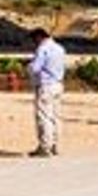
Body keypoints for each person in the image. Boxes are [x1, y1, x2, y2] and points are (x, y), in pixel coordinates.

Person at [27, 27, 66, 157]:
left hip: (46, 86)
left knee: (44, 117)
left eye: (34, 40)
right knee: (55, 117)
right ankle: (55, 145)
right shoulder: (60, 48)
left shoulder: (43, 49)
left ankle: (45, 147)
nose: (34, 43)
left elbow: (35, 68)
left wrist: (28, 66)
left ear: (39, 37)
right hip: (58, 84)